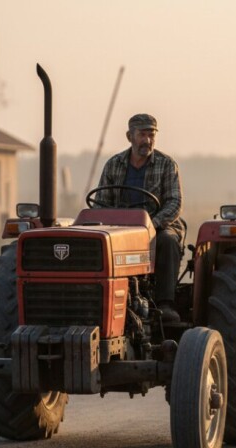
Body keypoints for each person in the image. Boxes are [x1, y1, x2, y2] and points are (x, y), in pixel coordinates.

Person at [94, 114, 184, 323]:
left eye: (151, 135)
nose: (148, 140)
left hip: (159, 224)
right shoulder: (113, 165)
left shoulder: (166, 164)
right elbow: (101, 203)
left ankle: (165, 302)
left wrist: (153, 224)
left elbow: (175, 203)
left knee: (168, 241)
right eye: (142, 135)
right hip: (121, 226)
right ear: (129, 136)